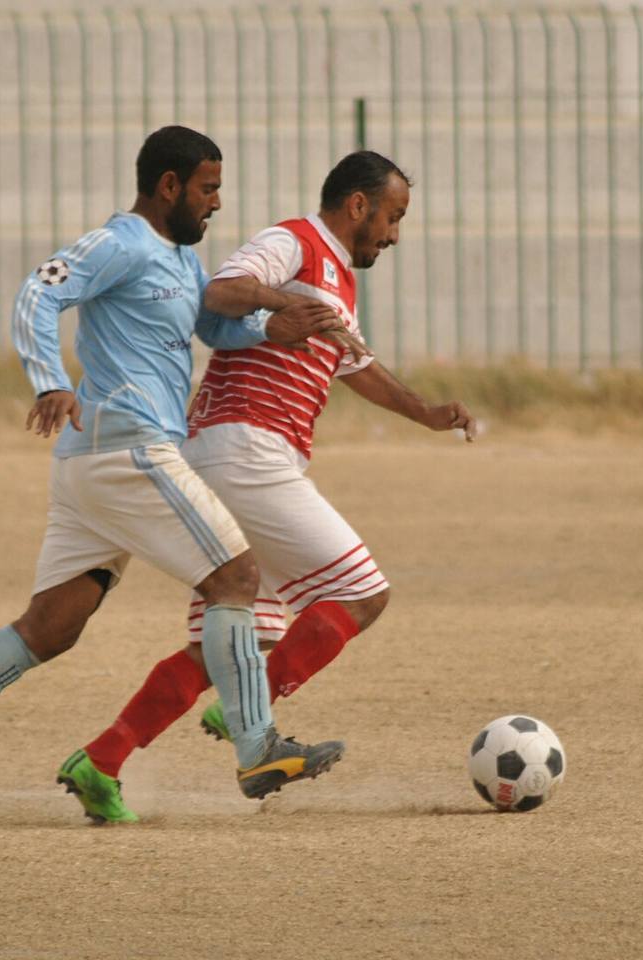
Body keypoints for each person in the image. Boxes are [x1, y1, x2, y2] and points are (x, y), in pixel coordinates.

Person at [0, 125, 350, 822]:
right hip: (129, 449)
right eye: (208, 188)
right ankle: (257, 746)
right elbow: (38, 292)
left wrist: (276, 327)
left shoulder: (183, 261)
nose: (217, 202)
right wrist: (47, 381)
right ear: (168, 186)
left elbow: (211, 331)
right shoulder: (119, 243)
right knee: (236, 580)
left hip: (95, 467)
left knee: (50, 627)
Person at [65, 150, 477, 821]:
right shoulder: (295, 242)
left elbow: (358, 365)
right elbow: (219, 292)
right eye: (394, 217)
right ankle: (251, 718)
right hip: (245, 448)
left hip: (228, 453)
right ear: (358, 206)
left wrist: (426, 414)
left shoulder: (337, 282)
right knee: (363, 592)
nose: (396, 234)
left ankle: (102, 760)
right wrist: (286, 298)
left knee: (224, 646)